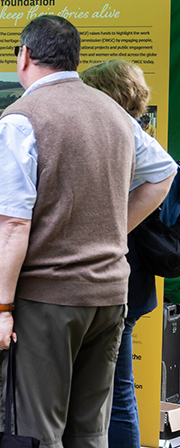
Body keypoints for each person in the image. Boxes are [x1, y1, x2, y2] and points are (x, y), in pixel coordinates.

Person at [0, 16, 177, 448]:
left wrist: (3, 307)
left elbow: (10, 224)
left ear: (25, 55)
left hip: (47, 299)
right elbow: (163, 173)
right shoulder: (115, 114)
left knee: (37, 432)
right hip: (108, 297)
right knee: (90, 431)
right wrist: (114, 227)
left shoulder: (20, 118)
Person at [81, 58, 179, 448]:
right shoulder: (145, 141)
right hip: (129, 285)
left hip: (115, 281)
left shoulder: (123, 143)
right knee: (115, 391)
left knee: (114, 394)